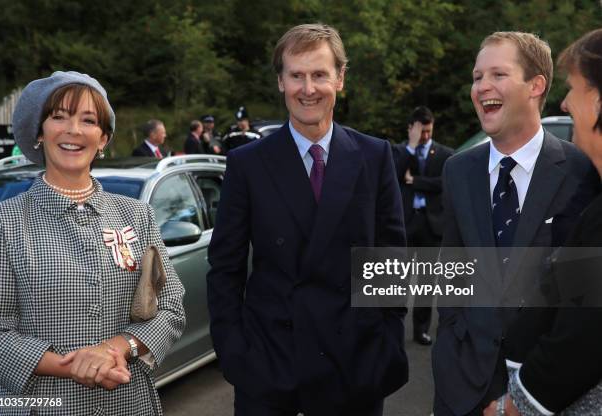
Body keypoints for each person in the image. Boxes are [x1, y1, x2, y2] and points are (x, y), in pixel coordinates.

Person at [206, 23, 408, 416]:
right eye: (296, 75)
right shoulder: (247, 164)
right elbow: (224, 268)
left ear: (340, 78)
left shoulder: (375, 156)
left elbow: (391, 258)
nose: (308, 88)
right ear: (281, 81)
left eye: (319, 74)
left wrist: (387, 343)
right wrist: (235, 353)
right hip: (269, 367)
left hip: (355, 365)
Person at [0, 71, 186, 415]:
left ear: (103, 137)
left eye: (88, 120)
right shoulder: (3, 222)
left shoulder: (137, 215)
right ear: (39, 132)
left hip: (128, 402)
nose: (74, 130)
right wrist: (74, 365)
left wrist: (113, 349)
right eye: (59, 117)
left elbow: (171, 307)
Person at [432, 32, 599, 416]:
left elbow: (583, 302)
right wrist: (449, 350)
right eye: (477, 77)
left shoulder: (582, 171)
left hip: (547, 392)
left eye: (498, 74)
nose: (482, 87)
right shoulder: (457, 170)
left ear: (536, 85)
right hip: (461, 388)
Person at [484, 28, 602, 416]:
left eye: (575, 88)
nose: (565, 104)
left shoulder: (580, 183)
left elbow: (583, 336)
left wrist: (514, 406)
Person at [392, 106, 453, 346]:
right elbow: (394, 176)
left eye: (428, 131)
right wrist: (411, 145)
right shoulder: (399, 151)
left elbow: (443, 183)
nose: (426, 136)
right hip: (405, 224)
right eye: (421, 132)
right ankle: (394, 329)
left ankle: (421, 330)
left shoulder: (445, 155)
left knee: (427, 284)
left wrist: (414, 181)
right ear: (411, 129)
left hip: (431, 226)